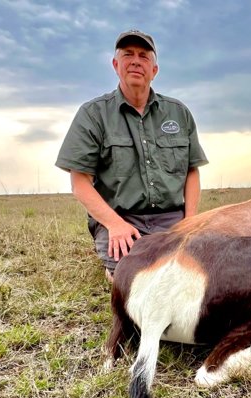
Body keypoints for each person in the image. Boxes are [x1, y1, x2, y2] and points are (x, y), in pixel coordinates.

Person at [56, 29, 208, 281]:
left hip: (172, 219)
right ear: (116, 65)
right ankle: (115, 266)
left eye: (144, 56)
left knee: (200, 267)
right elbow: (80, 182)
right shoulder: (93, 114)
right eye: (128, 55)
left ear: (154, 70)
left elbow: (192, 170)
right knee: (132, 277)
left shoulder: (179, 113)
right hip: (121, 218)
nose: (136, 61)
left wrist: (189, 222)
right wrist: (114, 224)